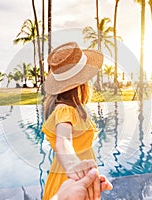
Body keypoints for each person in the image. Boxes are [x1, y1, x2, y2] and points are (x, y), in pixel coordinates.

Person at [42, 42, 109, 199]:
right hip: (71, 180)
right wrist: (72, 163)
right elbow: (63, 140)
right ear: (82, 83)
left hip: (79, 176)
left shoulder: (74, 108)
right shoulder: (65, 110)